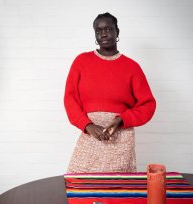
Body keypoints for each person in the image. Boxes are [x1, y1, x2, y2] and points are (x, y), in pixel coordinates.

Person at [64, 12, 156, 173]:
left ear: (117, 32)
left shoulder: (132, 67)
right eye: (98, 31)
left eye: (108, 29)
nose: (103, 33)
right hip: (90, 133)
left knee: (119, 189)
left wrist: (122, 119)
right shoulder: (81, 61)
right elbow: (70, 99)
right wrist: (87, 125)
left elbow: (148, 105)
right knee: (79, 183)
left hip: (120, 136)